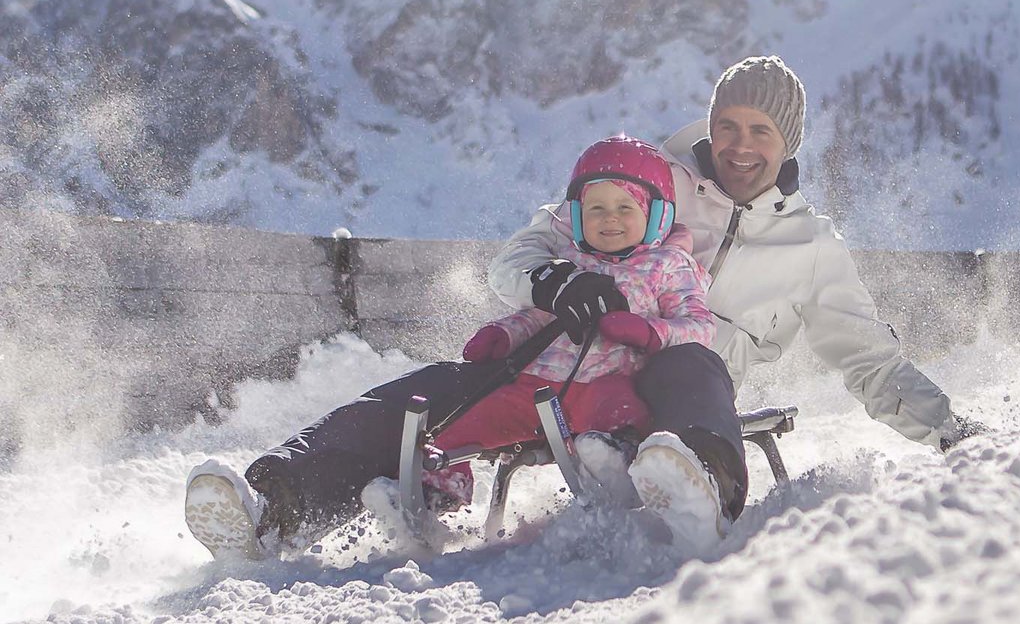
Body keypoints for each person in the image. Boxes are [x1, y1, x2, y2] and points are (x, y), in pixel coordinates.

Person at [489, 55, 986, 536]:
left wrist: (950, 432)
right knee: (491, 368)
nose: (740, 145)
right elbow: (528, 249)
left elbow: (869, 360)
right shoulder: (655, 181)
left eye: (761, 130)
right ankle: (426, 465)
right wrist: (550, 281)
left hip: (691, 398)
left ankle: (706, 488)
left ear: (788, 143)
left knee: (690, 362)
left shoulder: (810, 248)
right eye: (728, 125)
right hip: (585, 369)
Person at [184, 135, 724, 559]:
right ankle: (321, 504)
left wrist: (651, 332)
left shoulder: (672, 263)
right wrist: (514, 323)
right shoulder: (569, 248)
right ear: (577, 214)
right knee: (446, 416)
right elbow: (522, 289)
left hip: (651, 389)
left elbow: (699, 324)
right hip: (536, 382)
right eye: (597, 209)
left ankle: (650, 478)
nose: (610, 220)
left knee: (618, 415)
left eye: (624, 210)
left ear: (655, 216)